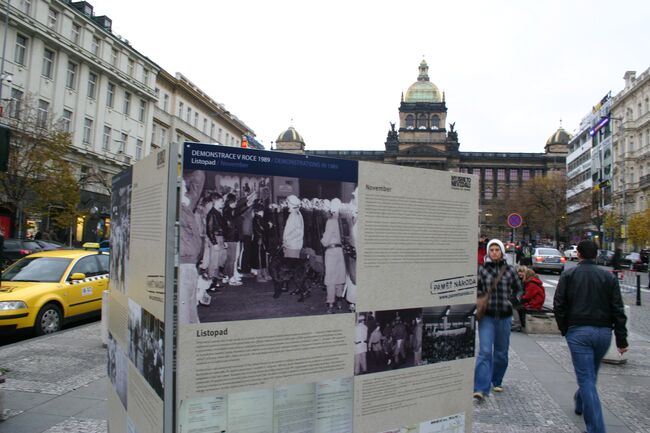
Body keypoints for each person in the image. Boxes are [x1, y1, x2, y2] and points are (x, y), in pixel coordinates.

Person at [553, 240, 628, 433]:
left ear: (578, 254)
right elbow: (617, 309)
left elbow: (559, 304)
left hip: (578, 331)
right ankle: (580, 402)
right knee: (590, 374)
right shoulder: (608, 278)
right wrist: (621, 339)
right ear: (596, 256)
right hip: (603, 333)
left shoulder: (569, 275)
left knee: (586, 378)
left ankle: (596, 428)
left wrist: (564, 329)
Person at [473, 239, 523, 400]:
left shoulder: (510, 270)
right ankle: (480, 387)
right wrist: (479, 300)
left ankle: (497, 380)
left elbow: (519, 289)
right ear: (488, 252)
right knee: (485, 351)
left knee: (501, 353)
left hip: (504, 316)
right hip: (486, 316)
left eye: (497, 249)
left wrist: (513, 301)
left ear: (502, 252)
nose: (494, 252)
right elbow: (477, 289)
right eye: (491, 250)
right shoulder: (482, 270)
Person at [178, 172, 205, 324]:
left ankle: (193, 338)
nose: (185, 189)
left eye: (184, 186)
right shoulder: (174, 208)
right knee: (184, 310)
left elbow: (199, 177)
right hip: (182, 264)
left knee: (191, 306)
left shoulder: (185, 206)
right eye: (181, 187)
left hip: (190, 263)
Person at [321, 198, 346, 313]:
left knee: (330, 278)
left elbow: (325, 240)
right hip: (341, 252)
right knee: (339, 277)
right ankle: (340, 302)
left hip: (331, 252)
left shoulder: (330, 221)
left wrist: (322, 240)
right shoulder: (343, 220)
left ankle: (330, 303)